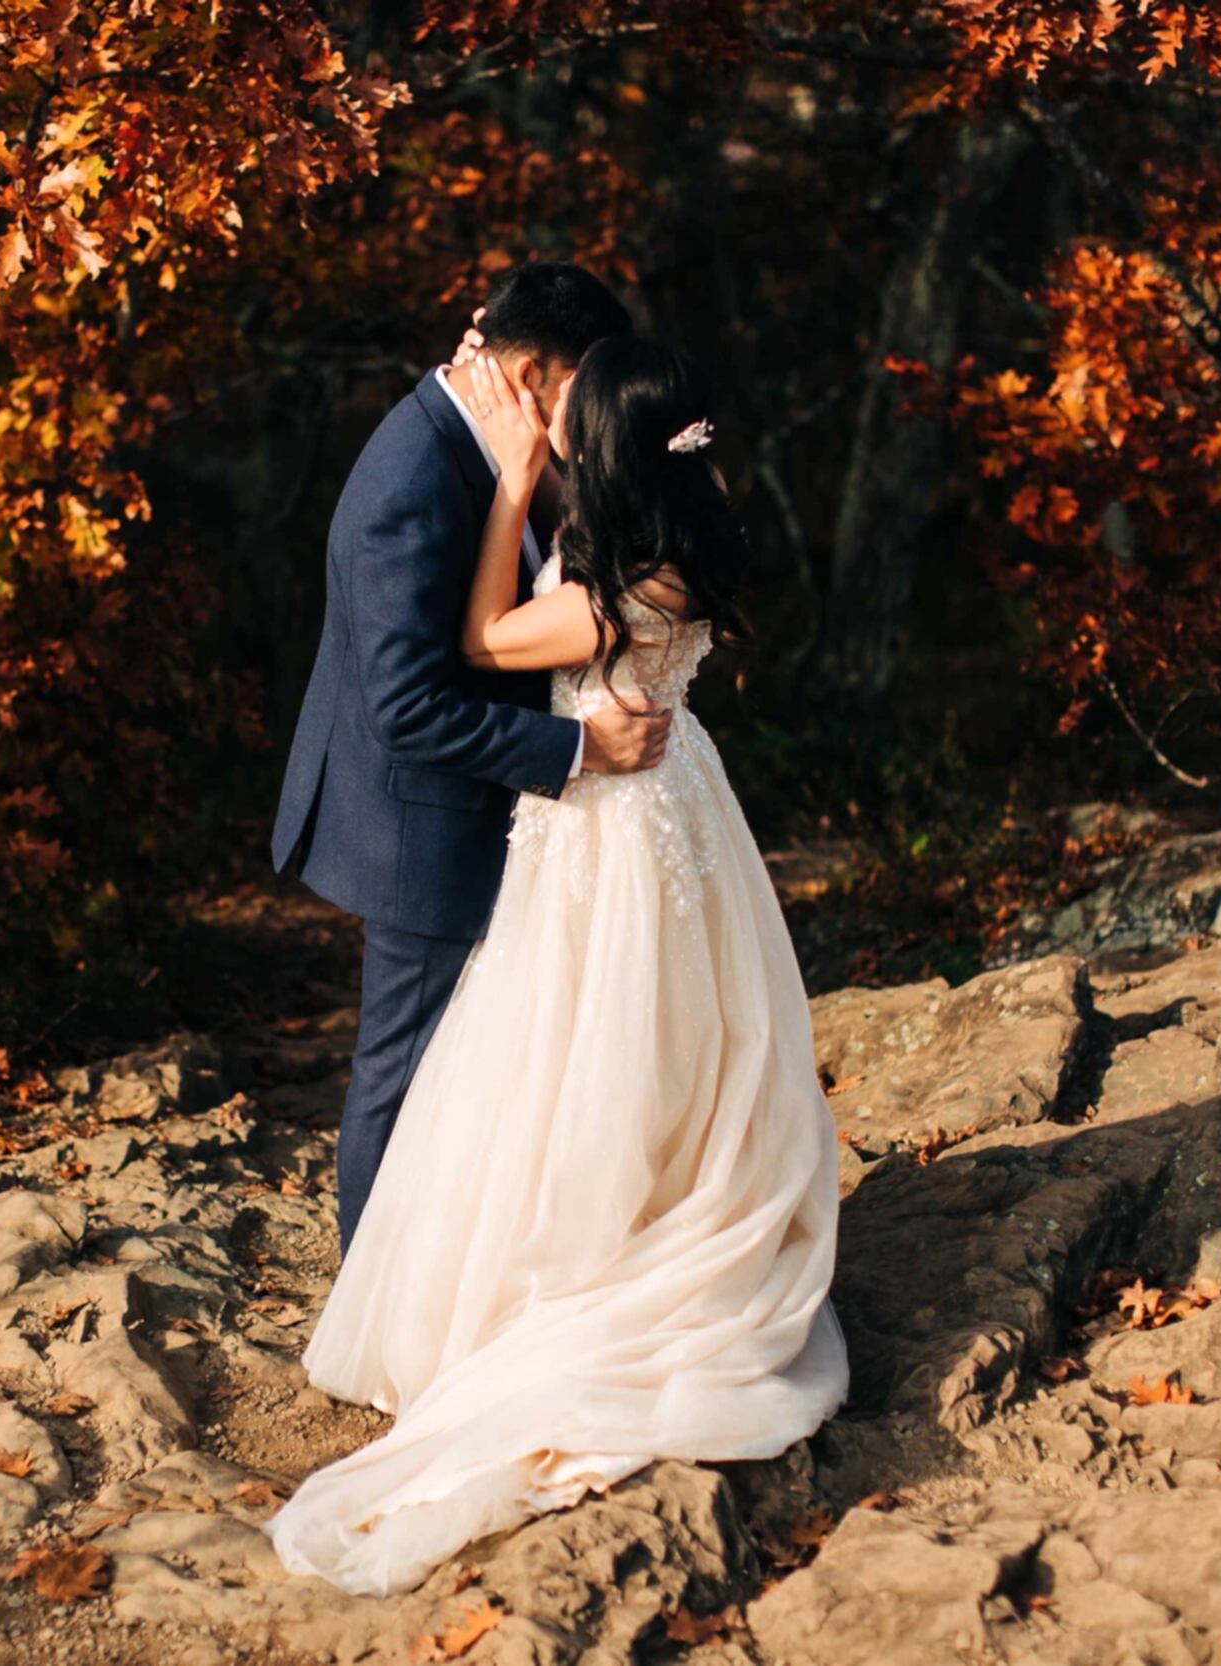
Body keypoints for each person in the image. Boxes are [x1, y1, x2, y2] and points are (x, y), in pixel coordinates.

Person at [263, 335, 850, 1597]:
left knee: (572, 1040)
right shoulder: (700, 537)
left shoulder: (601, 590)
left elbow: (477, 639)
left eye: (583, 424)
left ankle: (566, 1273)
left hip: (604, 825)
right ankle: (668, 1208)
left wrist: (521, 483)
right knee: (681, 1033)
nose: (564, 429)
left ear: (614, 445)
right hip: (683, 793)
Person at [270, 262, 669, 1254]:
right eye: (582, 383)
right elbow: (407, 707)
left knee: (467, 1065)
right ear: (534, 373)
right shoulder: (412, 480)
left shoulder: (489, 442)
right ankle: (371, 1309)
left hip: (486, 811)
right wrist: (580, 747)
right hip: (421, 822)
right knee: (401, 1074)